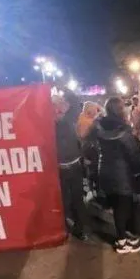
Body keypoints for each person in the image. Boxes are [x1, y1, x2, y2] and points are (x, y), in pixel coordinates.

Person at [85, 97, 140, 253]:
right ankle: (122, 240)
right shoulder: (125, 130)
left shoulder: (97, 126)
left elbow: (88, 147)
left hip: (104, 170)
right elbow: (133, 154)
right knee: (122, 207)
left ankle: (124, 235)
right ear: (120, 110)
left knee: (116, 204)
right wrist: (138, 170)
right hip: (122, 173)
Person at [54, 94, 90, 241]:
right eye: (57, 105)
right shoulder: (46, 124)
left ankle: (80, 229)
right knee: (63, 200)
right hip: (59, 169)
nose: (60, 108)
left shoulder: (70, 119)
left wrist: (63, 90)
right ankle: (63, 228)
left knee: (77, 200)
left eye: (62, 104)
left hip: (74, 166)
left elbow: (74, 100)